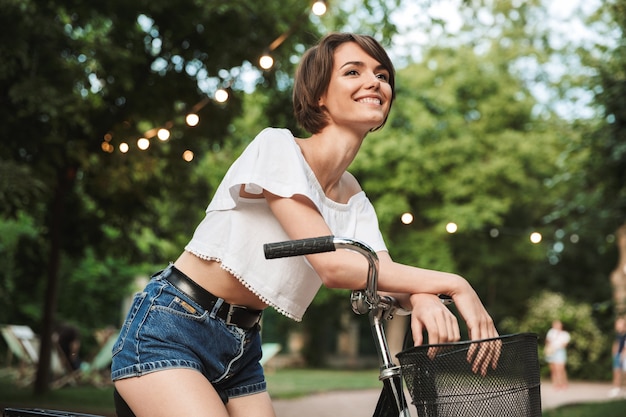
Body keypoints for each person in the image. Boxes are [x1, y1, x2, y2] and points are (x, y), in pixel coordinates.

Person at [110, 32, 499, 417]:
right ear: (319, 95)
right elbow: (332, 266)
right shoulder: (277, 146)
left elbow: (383, 274)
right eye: (353, 72)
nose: (374, 82)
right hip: (174, 323)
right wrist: (455, 284)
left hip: (242, 344)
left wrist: (424, 297)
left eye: (382, 75)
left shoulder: (354, 197)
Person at [545, 319, 570, 390]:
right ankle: (555, 383)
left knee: (560, 369)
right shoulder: (551, 332)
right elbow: (548, 341)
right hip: (551, 351)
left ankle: (563, 383)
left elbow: (564, 344)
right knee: (553, 369)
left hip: (559, 351)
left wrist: (555, 347)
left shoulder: (565, 334)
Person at [609, 317, 626, 397]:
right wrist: (614, 353)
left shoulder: (625, 335)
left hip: (624, 356)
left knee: (624, 373)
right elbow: (616, 344)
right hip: (617, 355)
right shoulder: (618, 335)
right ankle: (616, 388)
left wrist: (623, 355)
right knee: (616, 372)